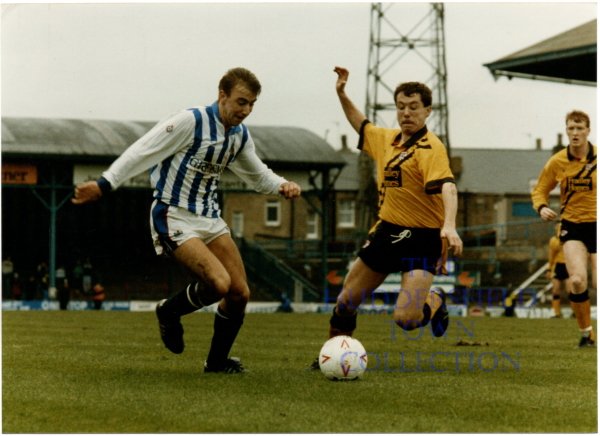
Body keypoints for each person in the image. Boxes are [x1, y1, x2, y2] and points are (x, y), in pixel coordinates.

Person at [72, 67, 301, 373]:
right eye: (241, 102)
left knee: (240, 293)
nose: (246, 111)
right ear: (222, 95)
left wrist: (281, 185)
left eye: (252, 104)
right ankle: (169, 312)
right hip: (174, 214)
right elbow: (143, 151)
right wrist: (104, 183)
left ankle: (216, 363)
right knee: (219, 283)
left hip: (209, 218)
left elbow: (257, 175)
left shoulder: (239, 136)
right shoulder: (190, 122)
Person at [312, 66, 462, 368]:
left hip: (423, 238)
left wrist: (449, 225)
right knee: (346, 301)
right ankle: (331, 357)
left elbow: (448, 185)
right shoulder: (386, 140)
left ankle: (435, 300)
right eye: (401, 107)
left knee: (406, 319)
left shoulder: (431, 148)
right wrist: (342, 94)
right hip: (387, 231)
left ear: (428, 111)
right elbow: (361, 123)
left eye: (414, 107)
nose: (406, 113)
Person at [532, 110, 596, 347]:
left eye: (580, 128)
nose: (575, 133)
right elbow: (540, 190)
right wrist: (541, 207)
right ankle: (587, 333)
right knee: (578, 281)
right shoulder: (557, 161)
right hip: (573, 226)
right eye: (571, 128)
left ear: (588, 130)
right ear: (566, 130)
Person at [547, 224, 571, 318]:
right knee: (556, 290)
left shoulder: (571, 241)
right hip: (558, 266)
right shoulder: (554, 241)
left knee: (571, 290)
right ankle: (556, 313)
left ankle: (576, 312)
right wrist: (549, 269)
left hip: (568, 266)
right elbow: (551, 255)